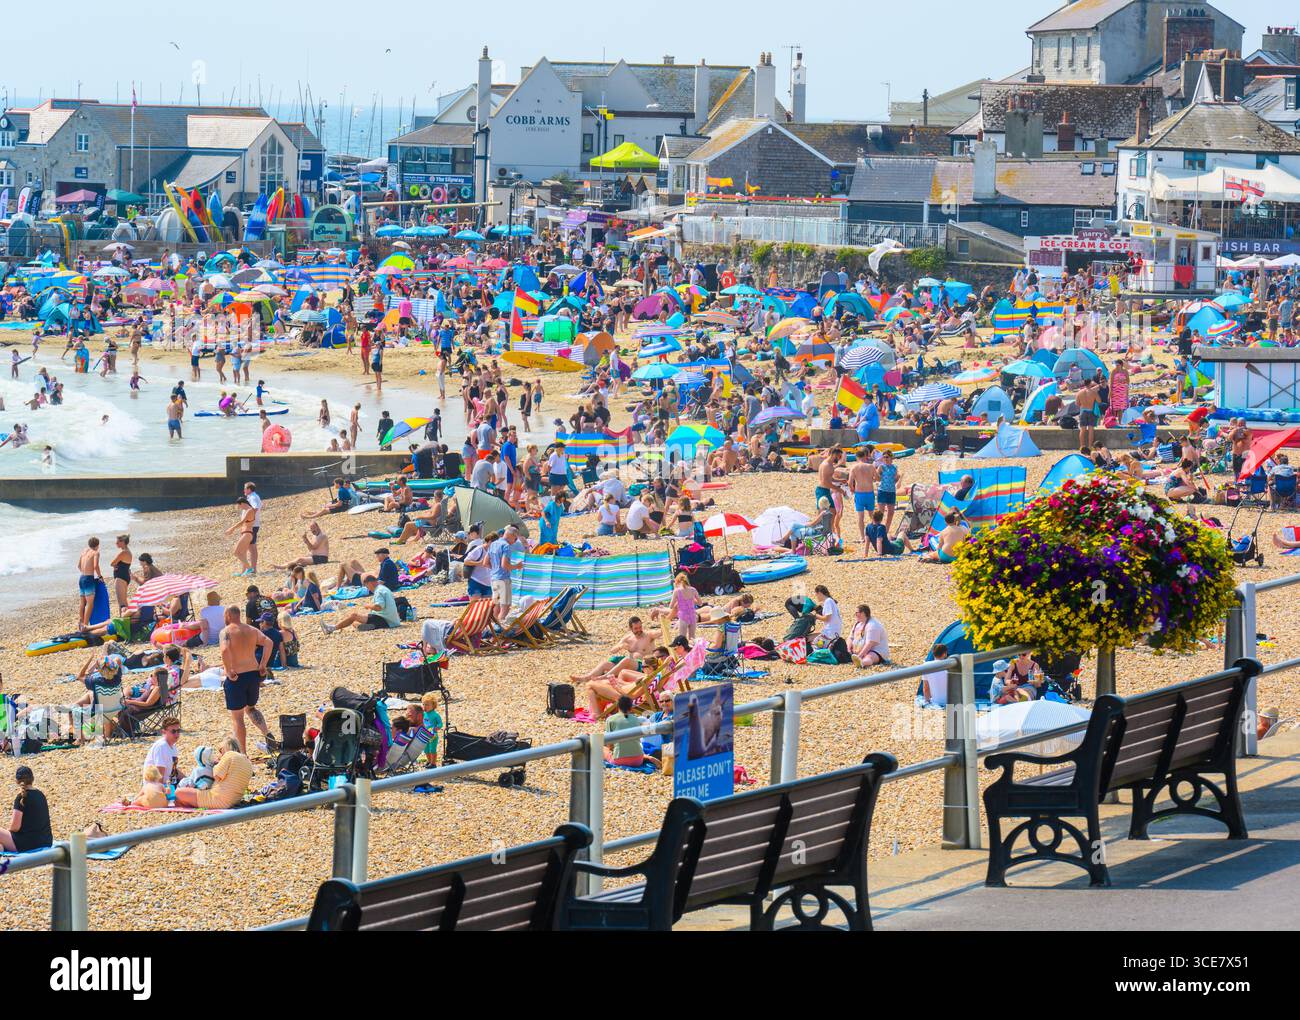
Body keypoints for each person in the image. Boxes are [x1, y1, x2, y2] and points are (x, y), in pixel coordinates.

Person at [217, 606, 277, 754]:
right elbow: (268, 642)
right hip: (253, 675)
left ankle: (243, 755)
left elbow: (225, 650)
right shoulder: (251, 629)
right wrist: (263, 664)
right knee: (250, 708)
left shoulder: (226, 632)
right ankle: (266, 734)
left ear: (229, 615)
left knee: (238, 718)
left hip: (237, 676)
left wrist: (228, 670)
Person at [172, 736, 252, 810]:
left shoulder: (229, 755)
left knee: (178, 792)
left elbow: (216, 775)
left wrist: (215, 764)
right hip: (234, 801)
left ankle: (188, 806)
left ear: (225, 749)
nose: (219, 755)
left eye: (220, 751)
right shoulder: (247, 761)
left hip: (218, 800)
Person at [319, 573, 401, 634]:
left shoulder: (379, 591)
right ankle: (371, 626)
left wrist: (368, 606)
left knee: (353, 616)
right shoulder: (383, 588)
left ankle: (332, 628)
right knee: (354, 622)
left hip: (386, 620)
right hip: (392, 620)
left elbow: (378, 607)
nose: (368, 588)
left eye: (366, 586)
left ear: (369, 583)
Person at [0, 766, 52, 853]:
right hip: (45, 842)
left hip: (27, 844)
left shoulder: (21, 797)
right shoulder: (41, 795)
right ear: (32, 779)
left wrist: (7, 832)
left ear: (17, 781)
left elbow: (15, 827)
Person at [488, 525, 522, 619]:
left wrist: (495, 569)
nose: (514, 542)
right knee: (505, 607)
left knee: (497, 605)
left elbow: (485, 562)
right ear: (512, 536)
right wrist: (517, 566)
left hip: (494, 578)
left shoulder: (493, 544)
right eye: (515, 539)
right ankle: (501, 631)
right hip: (503, 578)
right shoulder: (506, 546)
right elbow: (504, 565)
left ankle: (494, 627)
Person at [604, 695, 646, 767]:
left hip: (619, 760)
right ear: (631, 707)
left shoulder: (610, 719)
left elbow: (609, 745)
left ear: (618, 706)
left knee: (603, 749)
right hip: (638, 760)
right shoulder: (636, 719)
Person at [144, 716, 183, 788]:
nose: (176, 734)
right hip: (156, 787)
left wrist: (186, 779)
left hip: (169, 784)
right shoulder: (162, 746)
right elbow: (159, 775)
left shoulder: (172, 746)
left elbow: (173, 770)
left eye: (178, 731)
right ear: (164, 732)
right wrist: (163, 795)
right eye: (173, 731)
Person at [77, 537, 103, 630]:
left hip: (81, 578)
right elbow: (96, 566)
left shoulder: (84, 551)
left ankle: (80, 622)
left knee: (82, 602)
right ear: (97, 545)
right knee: (90, 603)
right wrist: (100, 576)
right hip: (88, 579)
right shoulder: (96, 553)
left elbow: (79, 566)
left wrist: (85, 572)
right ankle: (85, 625)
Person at [109, 534, 133, 613]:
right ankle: (127, 622)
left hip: (120, 578)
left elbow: (112, 563)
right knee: (124, 601)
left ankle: (123, 622)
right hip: (124, 577)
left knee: (122, 604)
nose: (116, 543)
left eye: (118, 541)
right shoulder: (128, 552)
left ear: (123, 542)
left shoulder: (124, 553)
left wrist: (115, 565)